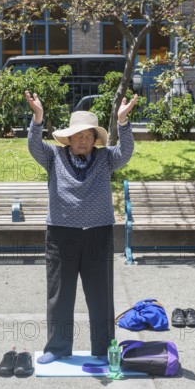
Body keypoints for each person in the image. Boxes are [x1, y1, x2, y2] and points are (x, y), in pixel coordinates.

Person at [24, 90, 138, 364]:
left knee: (100, 296)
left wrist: (122, 122)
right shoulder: (53, 157)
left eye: (89, 136)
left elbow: (126, 152)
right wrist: (38, 118)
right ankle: (58, 348)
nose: (84, 140)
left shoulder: (106, 158)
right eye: (79, 136)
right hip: (61, 235)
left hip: (99, 234)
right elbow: (33, 147)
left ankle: (102, 349)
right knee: (60, 296)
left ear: (95, 140)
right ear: (69, 138)